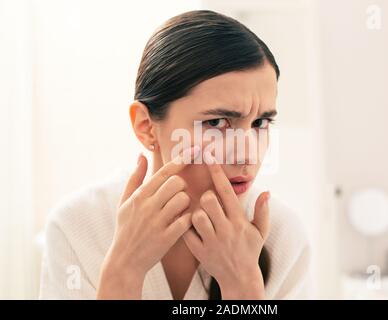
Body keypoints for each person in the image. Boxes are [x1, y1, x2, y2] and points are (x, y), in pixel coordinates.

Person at [39, 10, 311, 300]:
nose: (247, 156)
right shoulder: (77, 228)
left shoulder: (284, 238)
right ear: (146, 127)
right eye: (217, 123)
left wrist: (243, 288)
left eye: (260, 123)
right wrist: (123, 271)